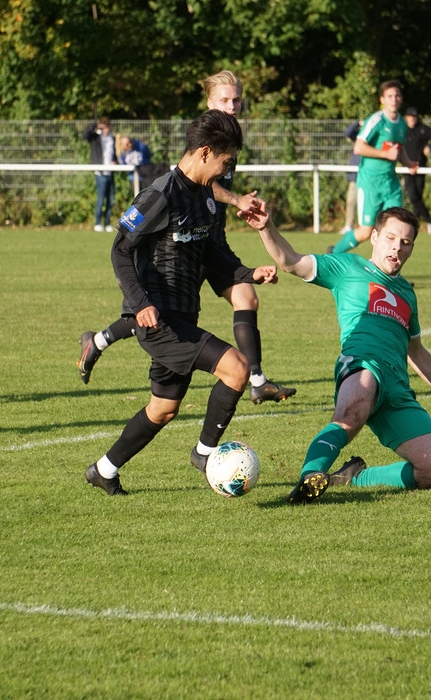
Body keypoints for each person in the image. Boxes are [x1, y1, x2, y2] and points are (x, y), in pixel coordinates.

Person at [84, 109, 279, 496]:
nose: (226, 173)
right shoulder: (159, 195)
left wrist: (247, 273)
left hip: (183, 315)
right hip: (159, 322)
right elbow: (120, 251)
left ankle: (103, 470)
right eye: (225, 163)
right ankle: (205, 453)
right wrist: (139, 302)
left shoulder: (205, 197)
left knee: (163, 408)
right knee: (237, 370)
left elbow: (211, 255)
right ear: (205, 152)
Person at [238, 204, 431, 503]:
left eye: (406, 242)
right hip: (362, 363)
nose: (397, 247)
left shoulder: (408, 294)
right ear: (374, 237)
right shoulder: (348, 267)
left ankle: (351, 477)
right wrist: (266, 227)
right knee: (351, 414)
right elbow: (291, 261)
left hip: (398, 388)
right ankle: (309, 476)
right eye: (391, 238)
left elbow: (417, 352)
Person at [78, 70, 296, 405]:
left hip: (210, 239)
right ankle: (99, 342)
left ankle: (255, 379)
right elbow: (198, 182)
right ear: (210, 103)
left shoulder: (229, 136)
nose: (233, 105)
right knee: (161, 314)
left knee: (243, 299)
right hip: (183, 237)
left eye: (237, 99)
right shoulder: (206, 138)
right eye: (225, 100)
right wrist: (237, 199)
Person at [331, 80, 416, 255]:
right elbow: (359, 147)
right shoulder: (376, 120)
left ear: (401, 99)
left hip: (390, 184)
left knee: (396, 228)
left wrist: (408, 163)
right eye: (390, 96)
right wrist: (385, 154)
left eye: (397, 95)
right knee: (366, 232)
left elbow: (398, 150)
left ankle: (390, 276)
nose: (394, 99)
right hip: (370, 183)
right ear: (382, 99)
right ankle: (334, 255)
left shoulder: (401, 124)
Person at [402, 107, 431, 235]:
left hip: (420, 168)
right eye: (410, 116)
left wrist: (429, 146)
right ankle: (430, 221)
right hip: (407, 168)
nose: (412, 119)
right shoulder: (402, 130)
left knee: (418, 196)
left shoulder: (422, 129)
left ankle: (413, 226)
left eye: (414, 117)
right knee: (413, 196)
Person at [82, 116, 116, 231]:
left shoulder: (113, 139)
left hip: (110, 173)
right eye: (103, 128)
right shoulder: (96, 138)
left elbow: (115, 153)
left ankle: (107, 223)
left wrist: (115, 161)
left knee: (111, 200)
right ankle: (97, 222)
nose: (105, 130)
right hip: (100, 173)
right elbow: (85, 134)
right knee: (101, 199)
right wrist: (95, 124)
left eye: (107, 128)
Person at [341, 120, 361, 234]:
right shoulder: (359, 137)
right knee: (351, 201)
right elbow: (348, 133)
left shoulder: (375, 138)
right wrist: (358, 123)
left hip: (368, 176)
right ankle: (348, 225)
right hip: (355, 176)